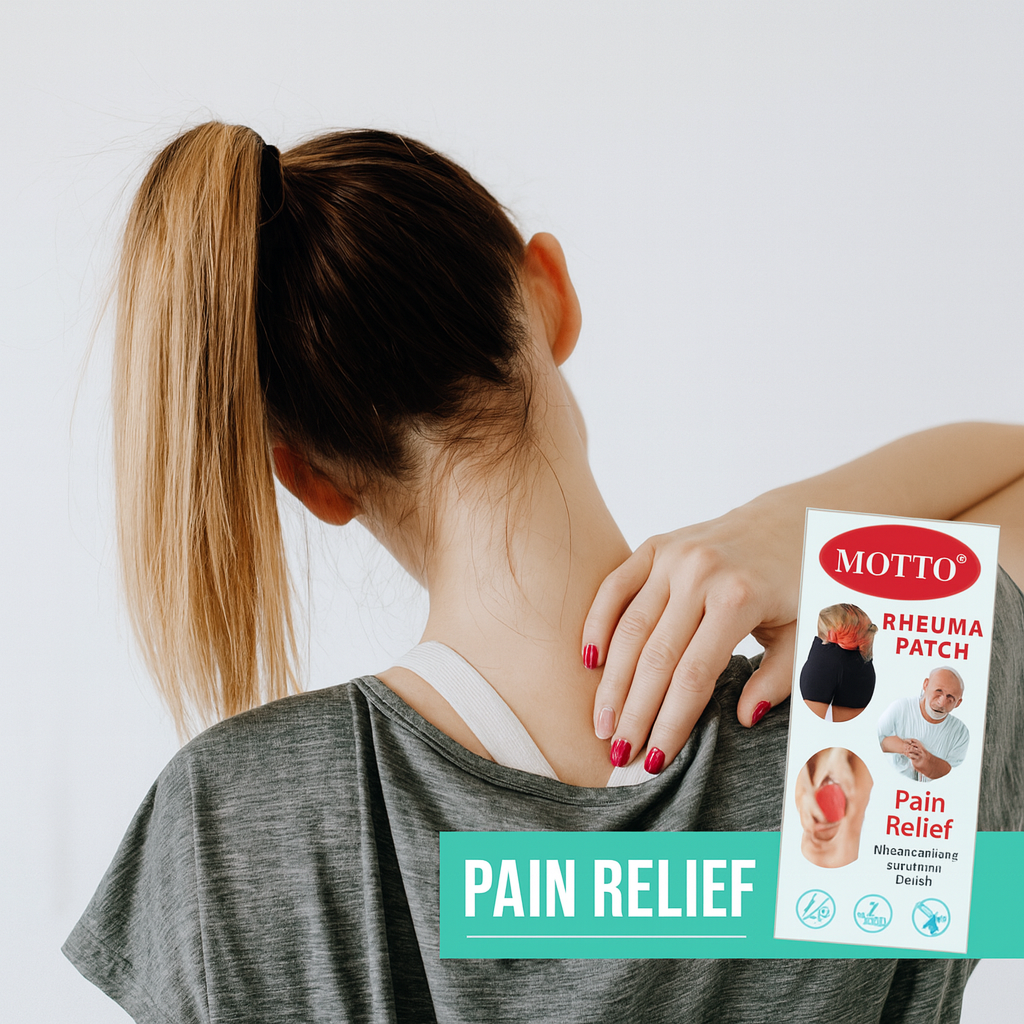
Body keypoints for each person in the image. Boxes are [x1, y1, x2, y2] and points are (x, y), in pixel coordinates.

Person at [63, 122, 1024, 1022]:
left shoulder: (230, 822)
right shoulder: (891, 739)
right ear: (552, 292)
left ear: (311, 479)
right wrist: (790, 532)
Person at [878, 668, 970, 781]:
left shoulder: (960, 733)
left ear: (958, 703)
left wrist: (926, 759)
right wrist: (905, 748)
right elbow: (875, 741)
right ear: (926, 685)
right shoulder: (900, 708)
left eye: (950, 698)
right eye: (938, 691)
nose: (941, 703)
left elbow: (954, 776)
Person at [799, 603, 877, 721]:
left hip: (825, 663)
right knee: (847, 727)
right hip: (860, 669)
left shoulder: (823, 660)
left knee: (809, 721)